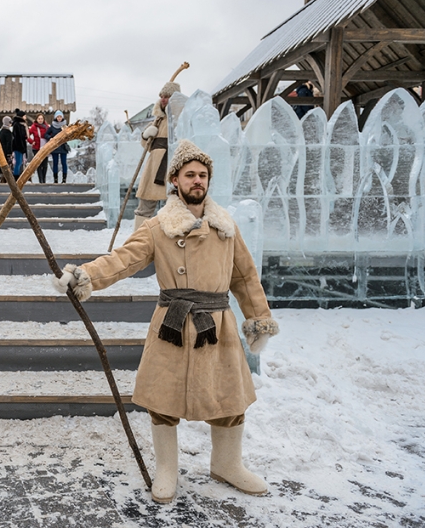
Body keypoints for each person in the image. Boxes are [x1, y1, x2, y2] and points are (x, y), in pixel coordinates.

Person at [52, 139, 279, 504]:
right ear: (175, 180)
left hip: (217, 325)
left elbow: (246, 278)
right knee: (164, 399)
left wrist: (259, 319)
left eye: (203, 175)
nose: (197, 181)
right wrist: (86, 275)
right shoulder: (159, 227)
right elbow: (123, 259)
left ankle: (226, 463)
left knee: (229, 399)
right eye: (190, 175)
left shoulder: (226, 228)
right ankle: (167, 471)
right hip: (172, 324)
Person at [134, 80, 178, 229]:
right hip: (154, 167)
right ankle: (138, 240)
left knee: (172, 205)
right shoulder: (157, 120)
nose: (163, 99)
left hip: (172, 166)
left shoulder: (180, 119)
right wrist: (146, 135)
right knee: (145, 206)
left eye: (167, 96)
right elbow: (144, 144)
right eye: (161, 96)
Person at [43, 110, 69, 183]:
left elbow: (68, 135)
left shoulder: (65, 126)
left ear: (62, 117)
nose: (59, 118)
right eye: (58, 117)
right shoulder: (52, 126)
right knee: (55, 163)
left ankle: (64, 179)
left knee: (64, 163)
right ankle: (55, 179)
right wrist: (50, 138)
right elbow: (46, 134)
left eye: (60, 116)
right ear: (55, 117)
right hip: (55, 147)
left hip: (63, 146)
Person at [28, 113, 49, 183]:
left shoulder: (47, 127)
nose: (40, 120)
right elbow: (27, 135)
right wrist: (31, 141)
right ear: (36, 120)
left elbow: (50, 134)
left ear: (44, 119)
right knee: (39, 165)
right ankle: (41, 180)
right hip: (36, 148)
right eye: (39, 119)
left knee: (45, 165)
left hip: (45, 148)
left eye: (41, 119)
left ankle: (44, 179)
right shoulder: (34, 127)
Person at [12, 109, 29, 179]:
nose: (25, 117)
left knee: (20, 162)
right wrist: (21, 146)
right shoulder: (17, 125)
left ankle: (17, 175)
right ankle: (16, 177)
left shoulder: (22, 125)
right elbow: (18, 137)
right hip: (18, 146)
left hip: (21, 145)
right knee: (18, 162)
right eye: (24, 116)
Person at [0, 115, 14, 182]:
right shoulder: (7, 132)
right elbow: (9, 144)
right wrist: (9, 153)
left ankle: (4, 179)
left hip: (2, 151)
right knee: (8, 167)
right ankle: (6, 180)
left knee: (5, 167)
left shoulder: (1, 131)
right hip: (7, 152)